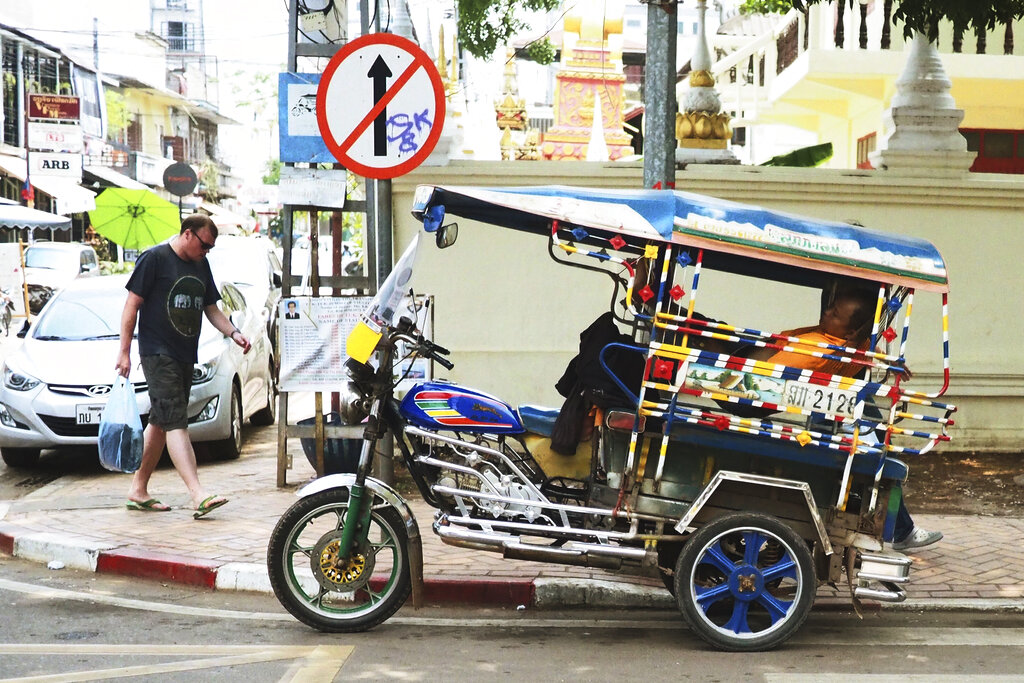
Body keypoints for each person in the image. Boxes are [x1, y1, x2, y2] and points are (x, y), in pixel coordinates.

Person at [750, 283, 942, 552]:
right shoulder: (817, 349)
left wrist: (885, 361)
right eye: (831, 308)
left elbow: (865, 347)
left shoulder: (838, 345)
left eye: (835, 313)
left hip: (846, 400)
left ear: (851, 331)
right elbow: (760, 380)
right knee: (878, 463)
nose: (826, 313)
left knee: (883, 461)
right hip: (831, 404)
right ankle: (899, 530)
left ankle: (900, 529)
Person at [116, 214, 252, 519]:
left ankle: (138, 489)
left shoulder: (200, 264)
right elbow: (131, 305)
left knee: (161, 421)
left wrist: (233, 332)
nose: (207, 251)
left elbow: (211, 308)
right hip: (157, 353)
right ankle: (197, 493)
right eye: (205, 245)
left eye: (211, 248)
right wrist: (124, 352)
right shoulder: (154, 259)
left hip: (185, 354)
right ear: (188, 234)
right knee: (176, 419)